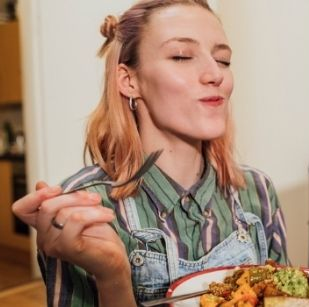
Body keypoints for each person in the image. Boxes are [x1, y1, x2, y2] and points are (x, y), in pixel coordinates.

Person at [11, 1, 289, 306]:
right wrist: (114, 276)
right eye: (182, 56)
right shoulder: (85, 211)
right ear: (129, 81)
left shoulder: (258, 192)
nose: (215, 74)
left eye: (223, 60)